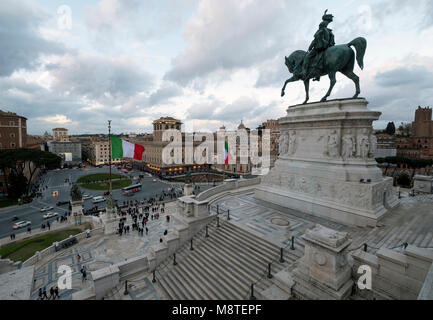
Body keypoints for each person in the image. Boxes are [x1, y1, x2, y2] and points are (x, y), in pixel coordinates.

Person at [301, 10, 335, 81]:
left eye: (320, 25)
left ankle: (304, 72)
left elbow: (315, 39)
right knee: (319, 58)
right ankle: (317, 76)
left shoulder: (322, 31)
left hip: (320, 47)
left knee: (307, 57)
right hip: (327, 47)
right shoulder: (329, 32)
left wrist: (310, 46)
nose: (319, 26)